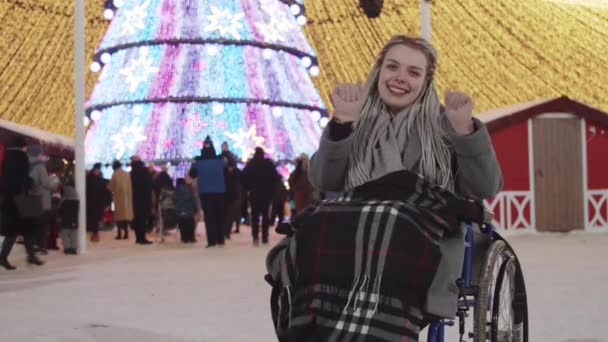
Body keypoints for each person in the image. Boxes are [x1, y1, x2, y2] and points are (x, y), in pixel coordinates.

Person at [268, 35, 503, 340]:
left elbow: (485, 185)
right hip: (351, 233)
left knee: (394, 219)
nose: (400, 78)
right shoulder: (354, 119)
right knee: (318, 224)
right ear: (379, 70)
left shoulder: (445, 125)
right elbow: (324, 180)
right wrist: (342, 124)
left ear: (426, 81)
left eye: (413, 72)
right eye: (393, 67)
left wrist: (463, 131)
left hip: (423, 231)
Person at [0, 137, 44, 269]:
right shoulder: (21, 157)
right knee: (26, 228)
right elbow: (23, 178)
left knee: (14, 230)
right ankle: (27, 256)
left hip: (9, 199)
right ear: (22, 147)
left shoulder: (7, 157)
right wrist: (30, 183)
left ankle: (27, 256)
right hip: (22, 198)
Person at [190, 137, 226, 248]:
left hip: (205, 192)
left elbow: (192, 174)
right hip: (220, 191)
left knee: (209, 217)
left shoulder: (198, 162)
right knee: (220, 215)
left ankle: (212, 241)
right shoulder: (220, 161)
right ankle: (221, 239)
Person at [241, 147, 280, 245]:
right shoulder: (268, 164)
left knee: (255, 216)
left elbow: (243, 178)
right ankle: (265, 237)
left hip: (254, 194)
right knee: (265, 216)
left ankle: (255, 237)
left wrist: (248, 188)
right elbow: (276, 178)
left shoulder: (251, 165)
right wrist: (271, 190)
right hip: (266, 194)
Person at [27, 144, 52, 254]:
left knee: (32, 224)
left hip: (29, 197)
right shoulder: (40, 166)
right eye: (41, 154)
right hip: (41, 199)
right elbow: (46, 183)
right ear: (37, 154)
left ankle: (31, 245)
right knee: (41, 224)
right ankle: (40, 245)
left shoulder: (25, 164)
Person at [130, 156, 154, 245]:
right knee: (143, 219)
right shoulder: (144, 171)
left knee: (137, 218)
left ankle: (138, 238)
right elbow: (149, 184)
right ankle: (142, 238)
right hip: (144, 198)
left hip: (135, 198)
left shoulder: (132, 172)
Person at [108, 160, 133, 240]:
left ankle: (119, 233)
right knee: (125, 216)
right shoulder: (126, 174)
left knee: (119, 216)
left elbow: (111, 186)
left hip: (118, 198)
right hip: (127, 197)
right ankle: (126, 233)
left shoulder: (115, 174)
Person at [86, 163, 106, 242]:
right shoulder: (93, 179)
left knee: (95, 219)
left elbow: (103, 192)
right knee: (94, 219)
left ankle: (94, 234)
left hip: (95, 202)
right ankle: (94, 234)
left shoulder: (91, 179)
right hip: (93, 202)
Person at [173, 178, 197, 243]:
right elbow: (193, 200)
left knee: (182, 225)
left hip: (180, 212)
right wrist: (195, 210)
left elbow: (174, 202)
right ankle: (191, 238)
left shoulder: (175, 191)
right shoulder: (188, 190)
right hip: (189, 212)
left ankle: (184, 238)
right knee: (190, 224)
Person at [58, 179, 79, 255]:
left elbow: (60, 210)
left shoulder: (63, 201)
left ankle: (67, 248)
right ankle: (74, 248)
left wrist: (59, 217)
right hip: (74, 219)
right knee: (74, 233)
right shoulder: (77, 200)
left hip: (65, 220)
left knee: (65, 233)